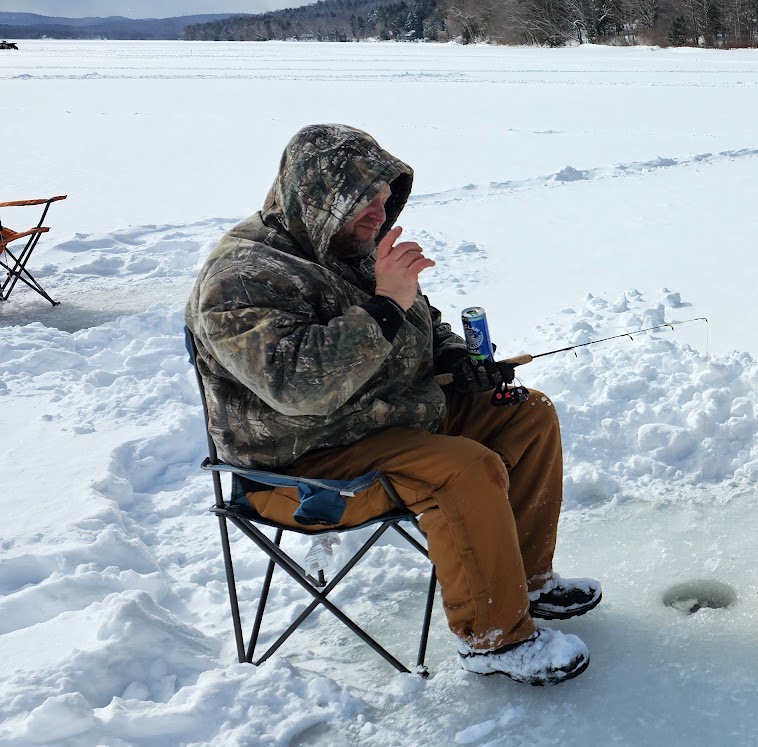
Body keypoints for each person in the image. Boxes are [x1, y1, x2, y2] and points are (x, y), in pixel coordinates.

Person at [186, 123, 599, 686]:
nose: (379, 215)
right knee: (462, 470)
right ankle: (494, 637)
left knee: (524, 414)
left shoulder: (351, 247)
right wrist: (384, 306)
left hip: (386, 418)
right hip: (300, 463)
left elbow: (424, 329)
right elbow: (299, 388)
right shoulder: (241, 277)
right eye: (364, 201)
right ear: (320, 196)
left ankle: (524, 581)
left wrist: (463, 361)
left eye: (385, 200)